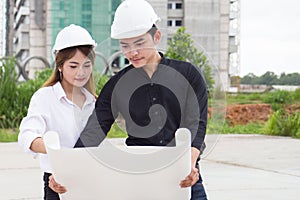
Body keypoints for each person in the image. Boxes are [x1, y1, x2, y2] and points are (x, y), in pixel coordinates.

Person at [51, 0, 208, 199]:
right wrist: (67, 171)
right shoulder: (116, 85)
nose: (132, 52)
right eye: (125, 45)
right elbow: (93, 132)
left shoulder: (188, 75)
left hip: (183, 175)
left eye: (139, 43)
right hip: (138, 177)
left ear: (156, 37)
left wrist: (189, 164)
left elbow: (196, 124)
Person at [18, 24, 97, 200]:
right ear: (60, 66)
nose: (81, 73)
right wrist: (58, 153)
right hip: (56, 183)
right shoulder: (45, 97)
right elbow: (27, 136)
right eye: (73, 66)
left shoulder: (94, 102)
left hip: (90, 181)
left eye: (86, 65)